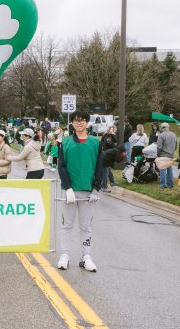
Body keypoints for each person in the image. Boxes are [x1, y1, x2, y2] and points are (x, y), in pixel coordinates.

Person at [57, 110, 103, 272]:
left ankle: (86, 256)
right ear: (72, 123)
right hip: (69, 190)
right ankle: (64, 255)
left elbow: (100, 166)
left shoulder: (95, 143)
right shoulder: (65, 142)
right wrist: (68, 187)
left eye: (82, 120)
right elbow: (61, 167)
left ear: (87, 123)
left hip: (87, 191)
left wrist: (96, 189)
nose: (79, 123)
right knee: (67, 225)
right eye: (76, 120)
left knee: (86, 226)